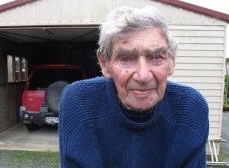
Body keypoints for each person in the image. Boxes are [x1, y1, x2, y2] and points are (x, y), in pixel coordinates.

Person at [59, 6, 209, 168]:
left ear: (172, 60)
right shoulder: (79, 102)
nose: (143, 76)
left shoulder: (192, 109)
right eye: (125, 59)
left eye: (157, 56)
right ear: (105, 63)